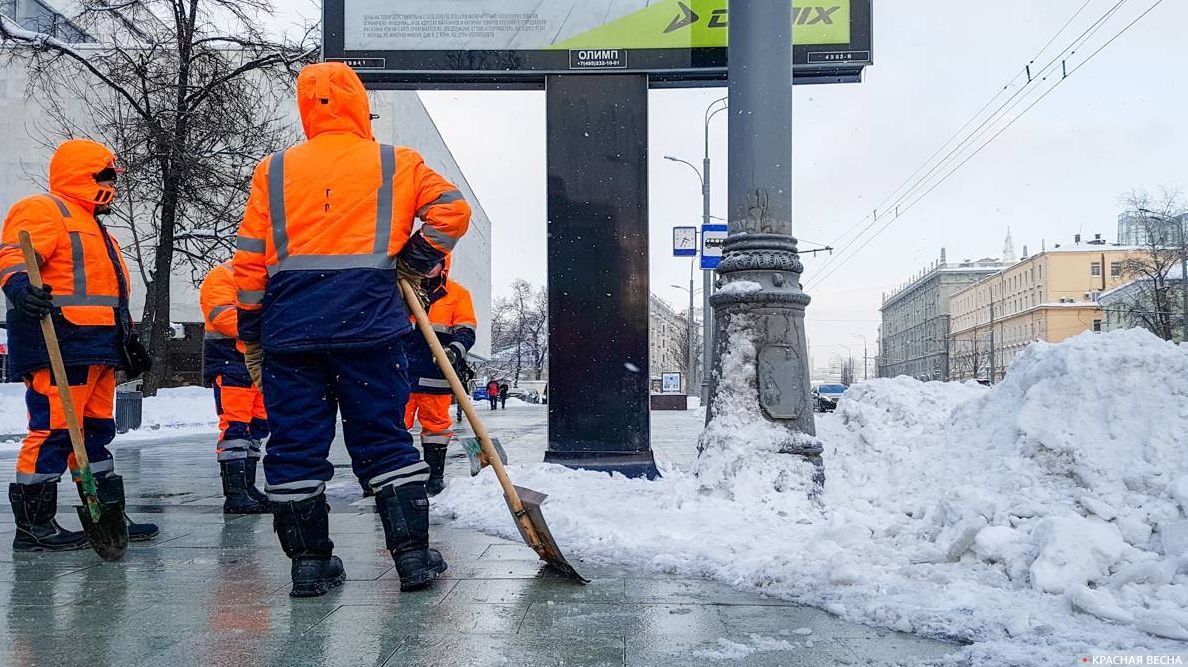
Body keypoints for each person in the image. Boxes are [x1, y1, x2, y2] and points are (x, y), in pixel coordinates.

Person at [233, 62, 470, 597]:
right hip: (370, 328)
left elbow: (247, 263)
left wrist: (252, 335)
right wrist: (414, 258)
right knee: (385, 442)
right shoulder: (397, 162)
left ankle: (311, 566)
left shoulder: (272, 171)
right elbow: (451, 211)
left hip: (291, 334)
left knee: (294, 447)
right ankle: (412, 558)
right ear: (360, 105)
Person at [0, 138, 158, 551]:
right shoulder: (44, 209)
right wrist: (18, 288)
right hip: (60, 342)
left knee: (94, 432)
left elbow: (108, 293)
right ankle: (34, 526)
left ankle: (106, 515)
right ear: (85, 176)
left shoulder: (95, 226)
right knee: (53, 430)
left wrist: (127, 339)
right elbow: (15, 254)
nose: (113, 186)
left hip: (97, 347)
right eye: (107, 177)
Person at [403, 256, 477, 496]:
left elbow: (466, 330)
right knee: (391, 424)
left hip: (434, 372)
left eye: (434, 262)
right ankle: (395, 475)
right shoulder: (401, 287)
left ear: (443, 265)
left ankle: (435, 476)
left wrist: (454, 351)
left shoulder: (457, 294)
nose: (428, 267)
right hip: (399, 372)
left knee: (436, 427)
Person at [199, 261, 268, 514]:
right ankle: (236, 495)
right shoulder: (222, 276)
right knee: (236, 428)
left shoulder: (265, 276)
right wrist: (267, 330)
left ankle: (247, 489)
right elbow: (222, 316)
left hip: (257, 364)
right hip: (231, 363)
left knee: (256, 428)